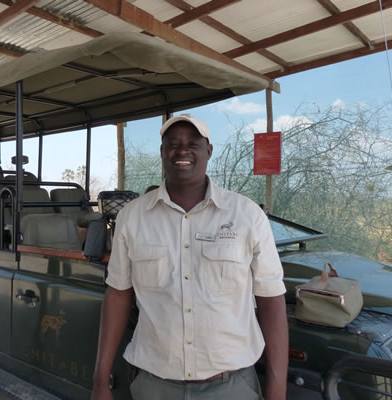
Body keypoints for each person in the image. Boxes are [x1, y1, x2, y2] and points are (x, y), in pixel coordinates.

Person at [91, 114, 288, 400]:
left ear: (208, 152)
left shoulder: (247, 216)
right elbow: (118, 295)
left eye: (193, 143)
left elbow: (271, 300)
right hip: (154, 387)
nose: (182, 150)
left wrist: (277, 389)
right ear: (162, 153)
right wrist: (101, 378)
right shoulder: (132, 217)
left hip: (231, 387)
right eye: (173, 144)